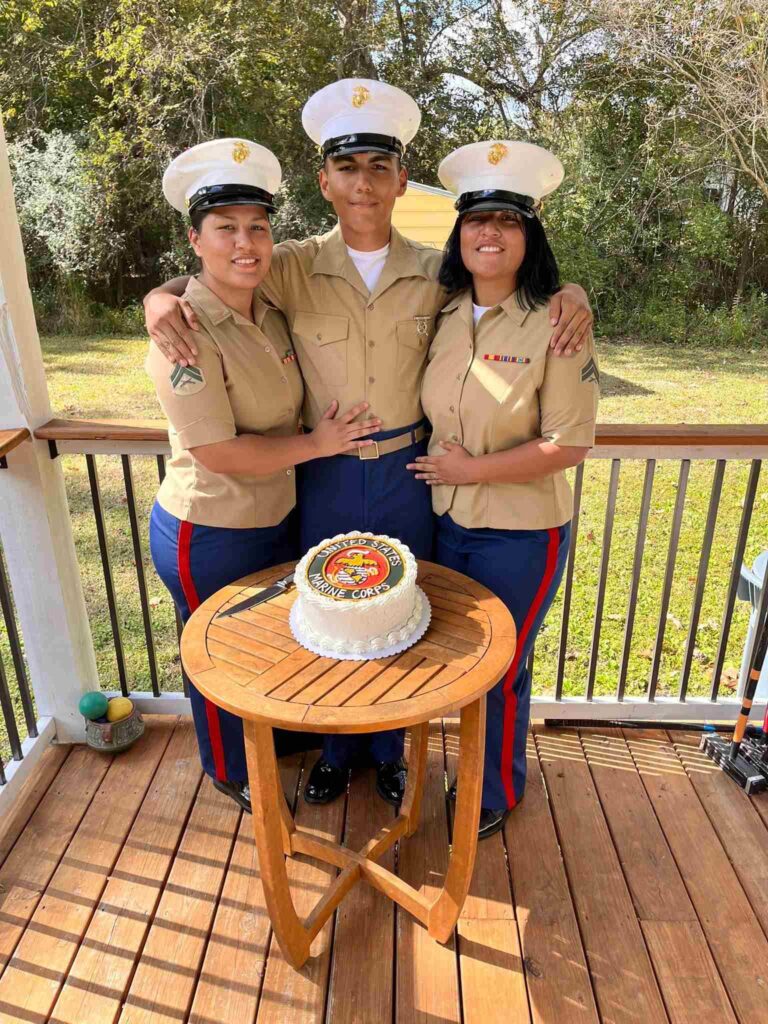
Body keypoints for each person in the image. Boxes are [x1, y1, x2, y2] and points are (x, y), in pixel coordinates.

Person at [143, 80, 594, 810]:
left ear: (400, 180)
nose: (363, 184)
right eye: (347, 169)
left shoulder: (436, 271)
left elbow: (511, 282)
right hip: (321, 471)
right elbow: (213, 273)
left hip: (412, 472)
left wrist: (572, 292)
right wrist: (157, 300)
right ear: (325, 181)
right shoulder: (286, 262)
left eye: (378, 168)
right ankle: (336, 749)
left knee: (401, 613)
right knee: (327, 613)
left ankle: (390, 751)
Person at [148, 138, 380, 813]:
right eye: (226, 229)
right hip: (210, 526)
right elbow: (218, 451)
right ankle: (230, 769)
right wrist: (321, 443)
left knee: (260, 645)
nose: (245, 243)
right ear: (196, 239)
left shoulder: (268, 308)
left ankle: (268, 741)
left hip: (274, 517)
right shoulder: (185, 333)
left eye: (258, 227)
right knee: (215, 653)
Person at [407, 140, 600, 839]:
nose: (490, 232)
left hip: (521, 531)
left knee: (501, 667)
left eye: (509, 220)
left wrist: (471, 471)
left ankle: (492, 790)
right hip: (443, 520)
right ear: (459, 234)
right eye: (477, 219)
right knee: (453, 657)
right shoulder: (443, 309)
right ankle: (456, 766)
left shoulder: (558, 320)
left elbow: (570, 444)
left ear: (529, 236)